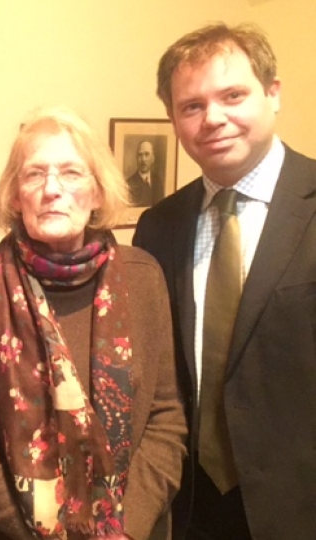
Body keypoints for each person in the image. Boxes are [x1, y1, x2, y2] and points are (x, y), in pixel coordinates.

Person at [0, 107, 187, 540]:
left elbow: (166, 419)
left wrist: (125, 529)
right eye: (34, 174)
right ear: (15, 196)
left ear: (97, 193)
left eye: (71, 173)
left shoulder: (143, 277)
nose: (51, 190)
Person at [133, 23, 316, 540]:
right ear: (173, 118)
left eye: (232, 95)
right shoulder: (158, 226)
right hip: (193, 508)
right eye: (191, 106)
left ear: (273, 94)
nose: (213, 118)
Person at [126, 140, 162, 207]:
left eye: (147, 154)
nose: (143, 159)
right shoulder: (129, 184)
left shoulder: (158, 181)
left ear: (153, 158)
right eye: (140, 155)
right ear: (136, 158)